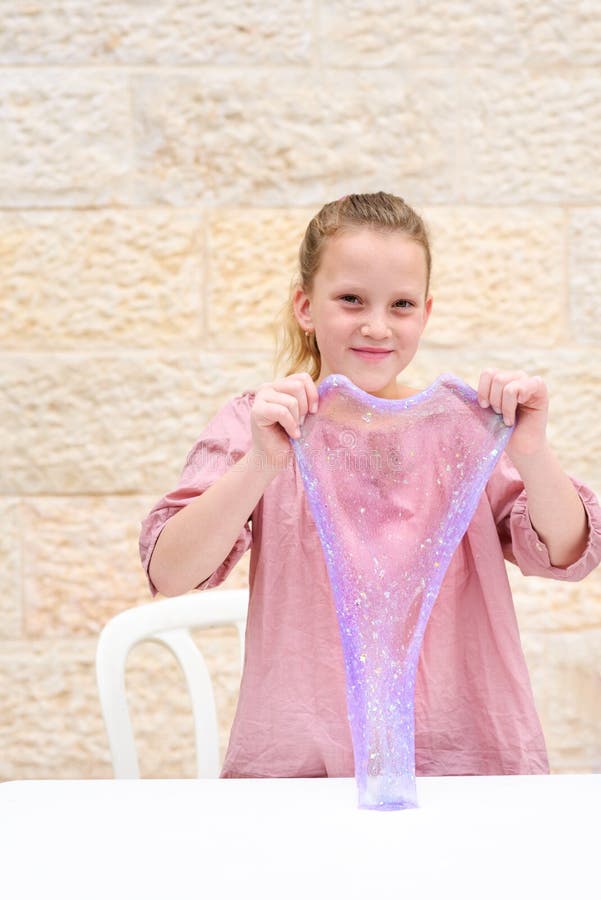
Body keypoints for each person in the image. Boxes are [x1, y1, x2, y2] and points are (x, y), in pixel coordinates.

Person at [140, 192, 601, 778]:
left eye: (401, 304)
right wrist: (261, 463)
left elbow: (570, 552)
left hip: (462, 766)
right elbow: (170, 571)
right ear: (306, 306)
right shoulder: (258, 423)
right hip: (306, 768)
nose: (377, 326)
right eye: (351, 299)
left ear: (426, 313)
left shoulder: (464, 431)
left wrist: (532, 454)